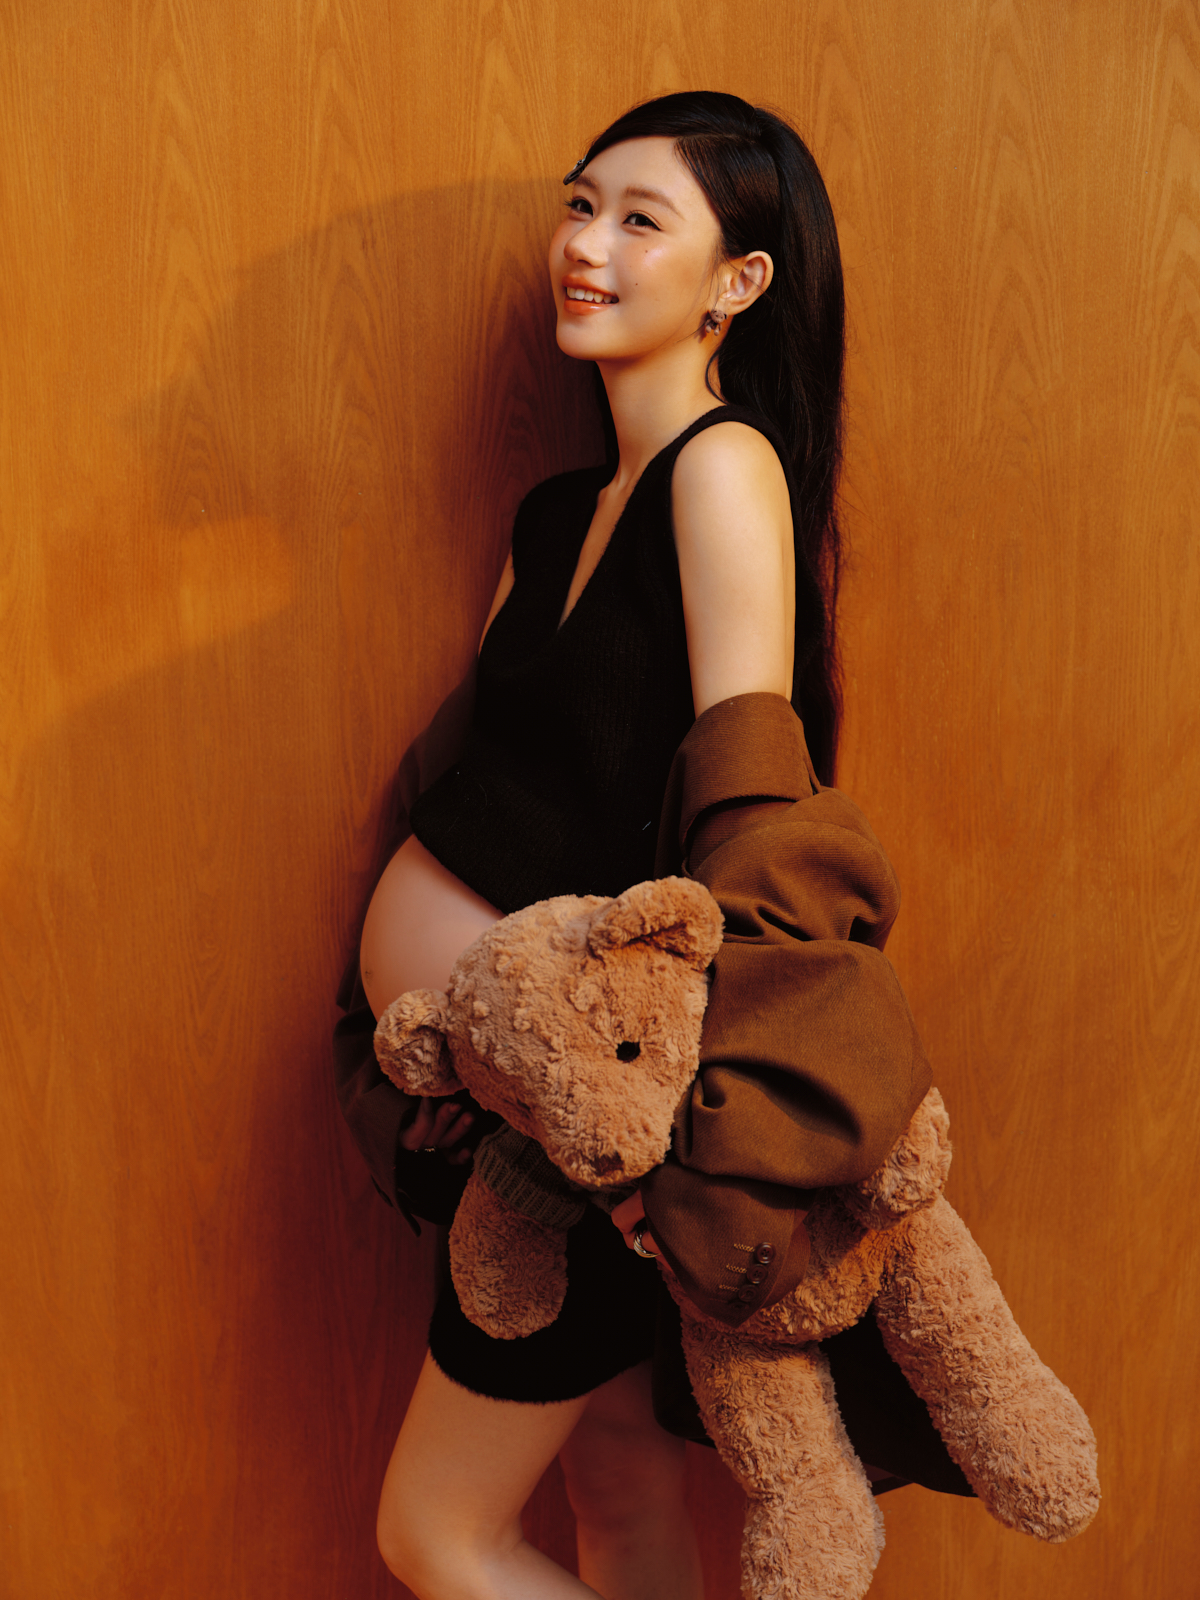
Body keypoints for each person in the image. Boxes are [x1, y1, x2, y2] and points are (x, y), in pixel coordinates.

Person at [334, 91, 951, 1600]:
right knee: (618, 1490)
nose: (584, 244)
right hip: (501, 1105)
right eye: (579, 204)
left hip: (602, 1136)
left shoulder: (722, 467)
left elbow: (750, 798)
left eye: (637, 218)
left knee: (436, 1534)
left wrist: (683, 1134)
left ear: (738, 281)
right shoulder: (557, 513)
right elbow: (492, 782)